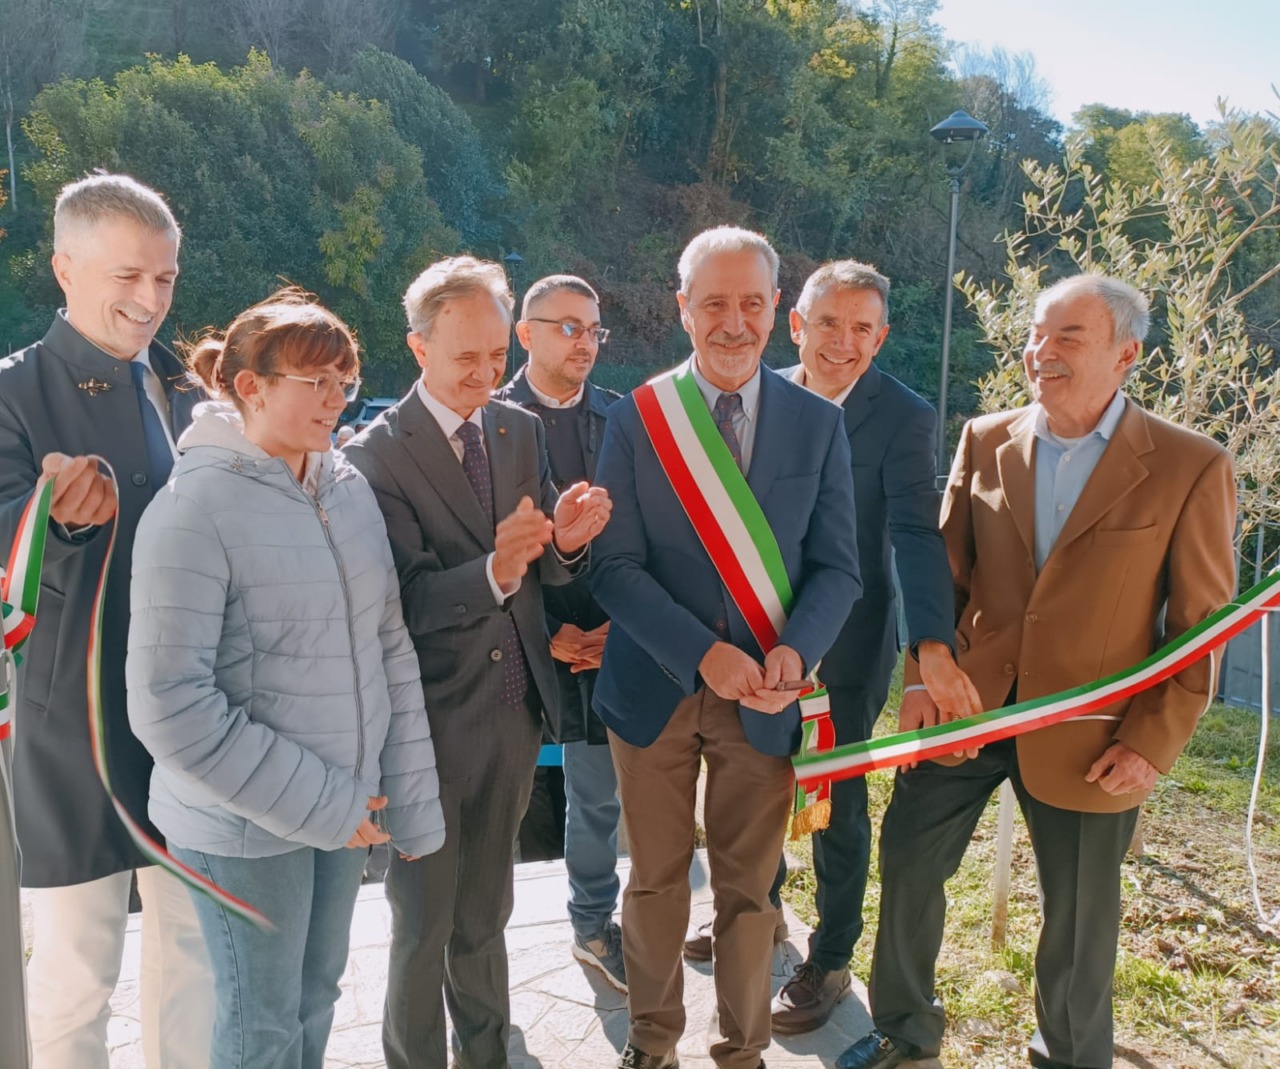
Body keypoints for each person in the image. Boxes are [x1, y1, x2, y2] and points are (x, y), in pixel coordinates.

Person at [838, 274, 1238, 1069]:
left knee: (1082, 914)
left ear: (1126, 354)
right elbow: (942, 578)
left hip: (1094, 731)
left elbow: (1199, 629)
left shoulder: (1189, 466)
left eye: (1067, 338)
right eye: (1034, 334)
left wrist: (1151, 744)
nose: (1040, 352)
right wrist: (923, 675)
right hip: (967, 704)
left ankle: (1068, 1054)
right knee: (911, 860)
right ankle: (905, 1028)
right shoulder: (986, 438)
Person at [126, 287, 445, 1069]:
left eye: (345, 381)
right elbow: (169, 706)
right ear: (249, 385)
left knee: (315, 1000)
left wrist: (409, 798)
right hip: (243, 828)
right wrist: (331, 802)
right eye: (317, 383)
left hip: (345, 811)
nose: (337, 400)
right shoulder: (192, 507)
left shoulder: (346, 486)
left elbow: (387, 644)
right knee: (257, 1027)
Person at [591, 225, 861, 1069]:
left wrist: (796, 651)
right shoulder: (638, 417)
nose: (733, 321)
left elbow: (838, 568)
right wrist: (701, 653)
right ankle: (652, 1040)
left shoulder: (818, 425)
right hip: (654, 687)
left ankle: (741, 1052)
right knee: (655, 883)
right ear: (683, 309)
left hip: (768, 699)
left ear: (777, 307)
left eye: (751, 302)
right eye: (714, 303)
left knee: (749, 896)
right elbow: (613, 565)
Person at [344, 255, 613, 1069]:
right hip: (424, 723)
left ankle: (489, 1053)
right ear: (417, 347)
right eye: (468, 357)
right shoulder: (375, 455)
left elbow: (540, 570)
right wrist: (495, 570)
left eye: (498, 356)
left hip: (512, 712)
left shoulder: (517, 429)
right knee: (422, 921)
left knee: (487, 913)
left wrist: (563, 545)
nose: (488, 373)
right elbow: (402, 601)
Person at [698, 260, 957, 1034]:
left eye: (862, 328)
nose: (842, 343)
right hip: (752, 639)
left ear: (881, 337)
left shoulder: (903, 417)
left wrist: (931, 646)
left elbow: (915, 536)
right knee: (752, 783)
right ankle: (758, 912)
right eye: (828, 324)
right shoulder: (755, 396)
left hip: (846, 647)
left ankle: (832, 952)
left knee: (835, 801)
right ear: (796, 323)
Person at [0, 172, 213, 1069]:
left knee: (195, 959)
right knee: (74, 973)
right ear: (64, 267)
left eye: (164, 278)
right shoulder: (13, 390)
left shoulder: (181, 388)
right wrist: (62, 521)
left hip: (185, 715)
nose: (150, 299)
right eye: (129, 275)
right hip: (69, 723)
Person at [496, 274, 626, 990]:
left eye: (593, 330)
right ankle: (477, 947)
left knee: (597, 793)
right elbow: (472, 539)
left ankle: (592, 923)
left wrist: (616, 626)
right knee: (502, 798)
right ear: (526, 333)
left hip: (608, 634)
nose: (584, 343)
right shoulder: (491, 418)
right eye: (567, 327)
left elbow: (642, 531)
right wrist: (539, 631)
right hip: (514, 637)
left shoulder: (620, 417)